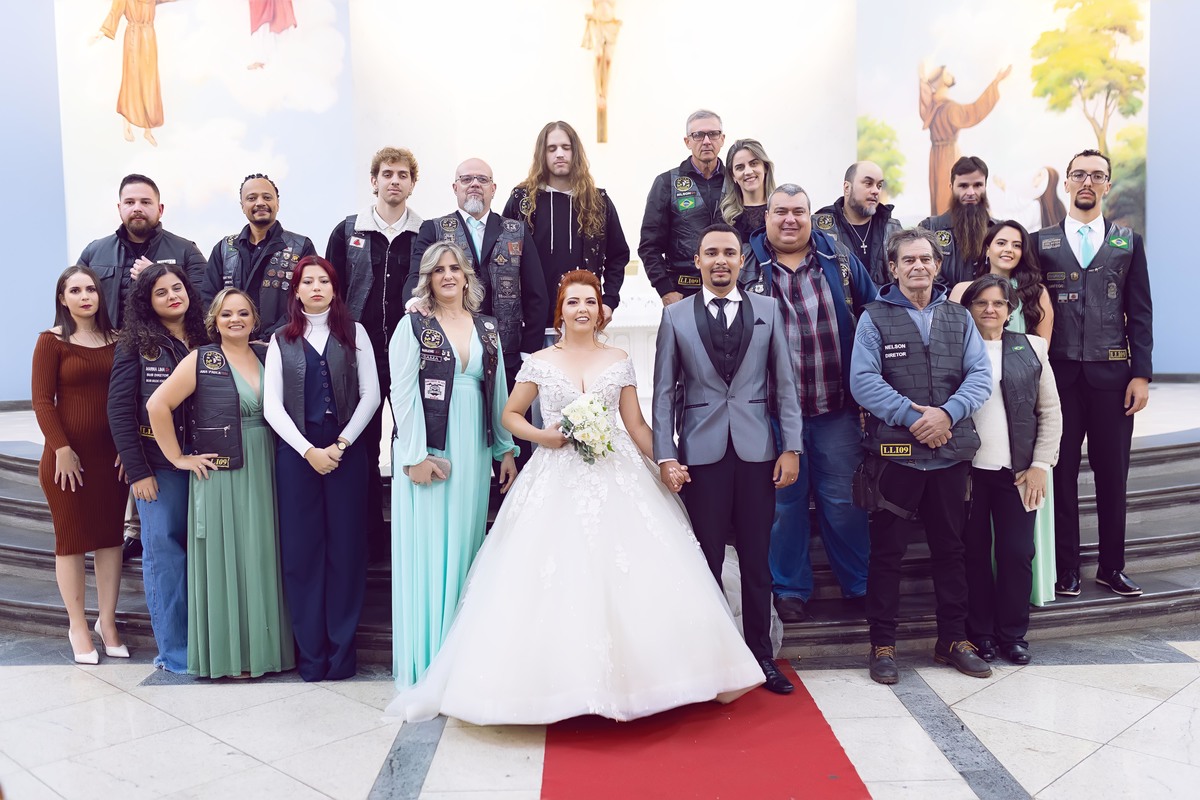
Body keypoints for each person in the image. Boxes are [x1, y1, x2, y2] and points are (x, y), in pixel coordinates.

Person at [385, 269, 764, 724]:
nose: (582, 309)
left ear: (601, 311)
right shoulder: (540, 361)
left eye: (589, 301)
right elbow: (510, 415)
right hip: (556, 471)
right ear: (560, 312)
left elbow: (636, 425)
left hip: (617, 471)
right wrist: (543, 437)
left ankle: (670, 678)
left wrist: (667, 460)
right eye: (573, 302)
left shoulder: (619, 359)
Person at [653, 223, 804, 695]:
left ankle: (761, 656)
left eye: (729, 253)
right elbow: (662, 393)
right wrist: (665, 455)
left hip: (758, 452)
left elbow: (785, 384)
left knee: (758, 561)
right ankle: (711, 660)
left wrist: (792, 447)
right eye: (711, 253)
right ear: (697, 261)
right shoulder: (675, 317)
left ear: (742, 260)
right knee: (707, 560)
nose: (720, 260)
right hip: (701, 455)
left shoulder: (768, 310)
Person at [850, 228, 993, 684]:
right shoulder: (873, 318)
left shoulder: (960, 317)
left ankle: (953, 640)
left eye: (925, 259)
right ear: (892, 268)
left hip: (949, 455)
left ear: (937, 265)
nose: (918, 266)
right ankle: (882, 645)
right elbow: (863, 382)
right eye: (908, 260)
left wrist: (946, 414)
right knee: (887, 553)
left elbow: (980, 376)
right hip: (896, 457)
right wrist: (917, 418)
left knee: (951, 550)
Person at [738, 185, 877, 622]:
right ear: (766, 218)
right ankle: (790, 589)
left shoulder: (838, 259)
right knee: (784, 506)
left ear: (810, 216)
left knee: (844, 503)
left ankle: (860, 584)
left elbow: (874, 310)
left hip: (836, 407)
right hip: (773, 413)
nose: (789, 219)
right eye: (780, 211)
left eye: (798, 211)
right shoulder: (746, 264)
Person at [389, 242, 519, 688]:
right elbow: (402, 394)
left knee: (466, 549)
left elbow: (498, 390)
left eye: (455, 268)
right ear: (427, 278)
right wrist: (415, 457)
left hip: (474, 450)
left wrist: (504, 449)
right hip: (430, 450)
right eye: (438, 269)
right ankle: (426, 664)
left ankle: (460, 666)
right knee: (428, 552)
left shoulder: (487, 328)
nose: (447, 275)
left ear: (467, 276)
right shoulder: (412, 326)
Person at [147, 289, 294, 679]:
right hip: (221, 475)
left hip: (265, 466)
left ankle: (263, 652)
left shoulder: (267, 355)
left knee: (260, 554)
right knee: (227, 558)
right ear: (215, 320)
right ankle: (229, 656)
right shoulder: (201, 359)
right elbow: (157, 405)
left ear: (254, 319)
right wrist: (178, 458)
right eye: (227, 314)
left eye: (243, 313)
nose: (235, 320)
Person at [1037, 149, 1153, 598]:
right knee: (1061, 474)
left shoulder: (1128, 242)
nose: (1088, 182)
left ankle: (1112, 567)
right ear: (1066, 182)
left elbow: (1140, 312)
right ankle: (1066, 568)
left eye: (1097, 176)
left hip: (1113, 379)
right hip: (1058, 379)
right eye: (1079, 174)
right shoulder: (1040, 243)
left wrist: (1141, 374)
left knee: (1112, 476)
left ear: (1108, 184)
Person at [264, 256, 380, 681]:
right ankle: (311, 658)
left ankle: (341, 657)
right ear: (295, 290)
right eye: (307, 281)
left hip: (346, 454)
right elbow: (271, 406)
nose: (316, 287)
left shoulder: (355, 333)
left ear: (334, 288)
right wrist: (307, 450)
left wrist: (341, 443)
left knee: (346, 553)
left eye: (324, 281)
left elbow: (371, 395)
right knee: (302, 555)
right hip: (297, 458)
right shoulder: (280, 339)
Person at [107, 262, 208, 673]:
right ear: (147, 302)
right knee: (165, 557)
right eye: (161, 292)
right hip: (158, 468)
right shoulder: (135, 345)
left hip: (206, 463)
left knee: (203, 556)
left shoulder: (207, 338)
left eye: (177, 288)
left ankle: (208, 643)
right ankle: (175, 652)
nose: (172, 296)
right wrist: (138, 471)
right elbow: (119, 409)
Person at [325, 146, 423, 563]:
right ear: (374, 180)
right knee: (362, 445)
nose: (394, 181)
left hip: (409, 356)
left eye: (402, 175)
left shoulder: (426, 233)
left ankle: (409, 530)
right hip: (357, 354)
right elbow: (330, 291)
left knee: (411, 438)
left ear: (412, 184)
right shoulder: (347, 230)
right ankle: (367, 537)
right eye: (387, 174)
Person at [960, 275, 1062, 665]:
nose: (990, 309)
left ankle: (1013, 635)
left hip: (1018, 474)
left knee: (1017, 553)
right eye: (981, 303)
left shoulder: (1032, 347)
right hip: (967, 474)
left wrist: (1040, 465)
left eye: (999, 303)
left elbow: (1049, 412)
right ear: (969, 309)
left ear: (1010, 310)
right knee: (973, 554)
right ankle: (981, 633)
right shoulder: (954, 350)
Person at [32, 266, 129, 664]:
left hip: (112, 458)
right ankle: (77, 626)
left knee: (110, 539)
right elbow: (42, 400)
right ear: (63, 298)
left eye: (91, 289)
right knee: (70, 542)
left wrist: (129, 447)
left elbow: (130, 396)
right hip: (65, 461)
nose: (85, 296)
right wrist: (61, 448)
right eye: (75, 290)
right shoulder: (51, 341)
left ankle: (107, 622)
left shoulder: (118, 340)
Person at [405, 159, 549, 384]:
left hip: (508, 355)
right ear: (455, 188)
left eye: (482, 179)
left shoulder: (517, 231)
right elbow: (416, 275)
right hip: (452, 355)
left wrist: (527, 352)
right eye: (466, 179)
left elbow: (536, 294)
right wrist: (414, 302)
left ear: (493, 189)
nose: (474, 184)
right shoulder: (433, 229)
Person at [503, 121, 630, 332]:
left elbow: (618, 256)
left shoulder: (598, 202)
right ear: (542, 154)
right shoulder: (521, 201)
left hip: (582, 318)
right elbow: (503, 257)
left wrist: (609, 301)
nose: (559, 154)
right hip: (530, 322)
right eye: (552, 148)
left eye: (566, 147)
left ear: (575, 152)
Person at [77, 174, 207, 329]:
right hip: (108, 342)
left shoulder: (187, 251)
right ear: (119, 208)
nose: (137, 208)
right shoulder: (93, 252)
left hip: (168, 342)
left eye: (145, 202)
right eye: (129, 202)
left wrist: (157, 277)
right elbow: (73, 303)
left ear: (160, 209)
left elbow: (204, 306)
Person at [201, 173, 317, 336]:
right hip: (233, 343)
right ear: (242, 206)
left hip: (284, 342)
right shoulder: (224, 248)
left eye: (267, 197)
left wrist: (271, 337)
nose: (260, 203)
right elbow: (208, 299)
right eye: (252, 198)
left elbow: (308, 299)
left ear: (277, 203)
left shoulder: (301, 247)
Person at [639, 110, 727, 304]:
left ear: (722, 139)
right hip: (683, 292)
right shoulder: (667, 183)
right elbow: (649, 245)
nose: (706, 141)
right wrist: (665, 289)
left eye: (713, 134)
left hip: (730, 290)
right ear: (687, 141)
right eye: (698, 135)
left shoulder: (736, 181)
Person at [919, 63, 1010, 215]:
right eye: (947, 73)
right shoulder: (949, 108)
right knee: (950, 194)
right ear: (941, 80)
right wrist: (996, 82)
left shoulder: (932, 108)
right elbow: (973, 112)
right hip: (949, 155)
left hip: (935, 156)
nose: (951, 75)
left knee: (942, 195)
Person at [949, 220, 1054, 341]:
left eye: (1016, 245)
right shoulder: (962, 290)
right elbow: (951, 339)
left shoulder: (1036, 292)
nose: (1009, 249)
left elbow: (1042, 346)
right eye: (1001, 243)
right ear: (987, 250)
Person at [814, 161, 902, 288]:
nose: (876, 191)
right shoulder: (820, 227)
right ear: (847, 188)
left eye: (879, 185)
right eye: (868, 183)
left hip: (885, 300)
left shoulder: (893, 228)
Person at [919, 156, 997, 288]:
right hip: (943, 300)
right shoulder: (929, 228)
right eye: (963, 186)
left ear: (985, 187)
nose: (971, 192)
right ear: (951, 187)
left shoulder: (999, 230)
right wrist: (954, 296)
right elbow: (923, 270)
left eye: (978, 185)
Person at [720, 139, 777, 242]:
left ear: (765, 167)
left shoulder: (781, 210)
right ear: (733, 176)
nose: (748, 172)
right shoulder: (725, 217)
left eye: (754, 163)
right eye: (740, 167)